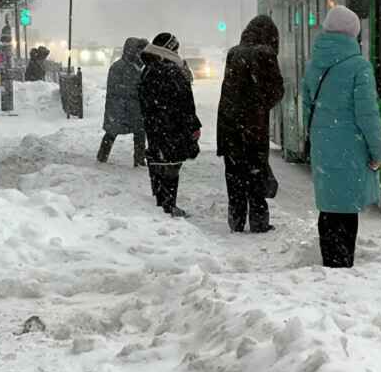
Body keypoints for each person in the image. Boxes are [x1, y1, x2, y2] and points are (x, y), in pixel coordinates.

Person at [302, 6, 381, 268]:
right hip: (351, 147)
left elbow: (307, 108)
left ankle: (330, 261)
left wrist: (318, 137)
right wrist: (379, 151)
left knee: (328, 207)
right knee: (347, 210)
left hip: (323, 146)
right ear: (353, 33)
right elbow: (367, 114)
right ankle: (341, 265)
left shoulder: (313, 65)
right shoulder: (358, 66)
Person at [216, 15, 285, 233]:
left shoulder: (234, 52)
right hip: (253, 127)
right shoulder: (265, 53)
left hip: (229, 125)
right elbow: (276, 90)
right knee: (256, 171)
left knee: (234, 173)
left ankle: (236, 219)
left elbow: (227, 91)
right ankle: (258, 221)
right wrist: (259, 106)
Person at [140, 32, 201, 218]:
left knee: (158, 159)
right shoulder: (172, 70)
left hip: (154, 124)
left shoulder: (148, 69)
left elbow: (144, 99)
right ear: (170, 49)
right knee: (172, 164)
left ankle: (161, 201)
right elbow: (185, 101)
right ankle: (169, 204)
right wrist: (193, 124)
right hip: (174, 125)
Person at [98, 37, 148, 167]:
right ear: (130, 50)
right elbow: (114, 88)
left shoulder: (141, 67)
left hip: (135, 108)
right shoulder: (118, 67)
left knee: (140, 132)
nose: (139, 53)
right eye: (137, 50)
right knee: (111, 133)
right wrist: (136, 90)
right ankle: (102, 156)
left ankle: (139, 160)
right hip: (119, 108)